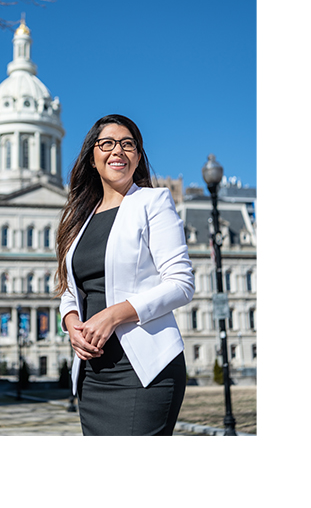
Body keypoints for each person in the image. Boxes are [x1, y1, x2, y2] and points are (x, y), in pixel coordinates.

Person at [54, 114, 194, 435]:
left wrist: (114, 315)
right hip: (92, 374)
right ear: (92, 157)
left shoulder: (152, 202)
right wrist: (71, 323)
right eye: (107, 144)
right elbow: (71, 292)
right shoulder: (79, 220)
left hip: (145, 370)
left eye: (128, 144)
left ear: (138, 157)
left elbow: (181, 284)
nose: (118, 150)